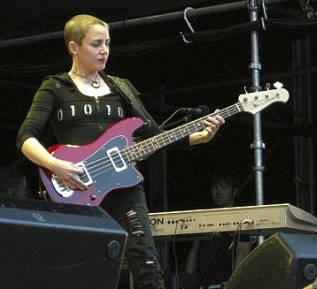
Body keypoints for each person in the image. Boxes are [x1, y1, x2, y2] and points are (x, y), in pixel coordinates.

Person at [16, 14, 224, 289]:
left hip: (124, 190)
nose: (104, 50)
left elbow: (155, 137)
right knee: (83, 268)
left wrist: (201, 137)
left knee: (147, 262)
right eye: (96, 44)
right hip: (76, 186)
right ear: (74, 47)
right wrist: (55, 166)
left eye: (108, 44)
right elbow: (25, 137)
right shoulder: (55, 87)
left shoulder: (120, 87)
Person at [180, 169, 253, 289]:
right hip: (202, 283)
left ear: (234, 191)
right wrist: (188, 280)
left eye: (224, 187)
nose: (218, 192)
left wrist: (233, 283)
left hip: (224, 284)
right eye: (215, 187)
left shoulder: (242, 219)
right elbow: (194, 252)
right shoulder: (204, 218)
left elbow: (242, 254)